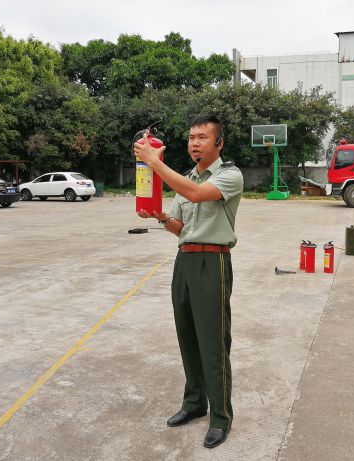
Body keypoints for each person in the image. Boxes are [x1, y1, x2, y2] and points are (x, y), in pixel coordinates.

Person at [134, 115, 243, 449]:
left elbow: (196, 195)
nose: (195, 143)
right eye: (191, 138)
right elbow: (182, 228)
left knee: (213, 341)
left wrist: (155, 163)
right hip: (185, 261)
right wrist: (163, 217)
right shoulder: (185, 179)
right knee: (188, 337)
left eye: (202, 137)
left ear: (218, 143)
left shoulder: (229, 175)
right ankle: (195, 403)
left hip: (213, 263)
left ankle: (221, 416)